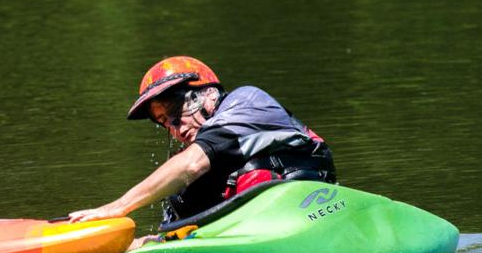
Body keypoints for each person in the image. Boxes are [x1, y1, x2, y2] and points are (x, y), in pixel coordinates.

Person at [69, 56, 336, 227]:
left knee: (252, 174)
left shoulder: (247, 101)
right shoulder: (199, 162)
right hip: (247, 233)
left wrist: (116, 208)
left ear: (209, 95)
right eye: (163, 122)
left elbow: (192, 163)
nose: (174, 128)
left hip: (316, 214)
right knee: (182, 197)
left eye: (175, 111)